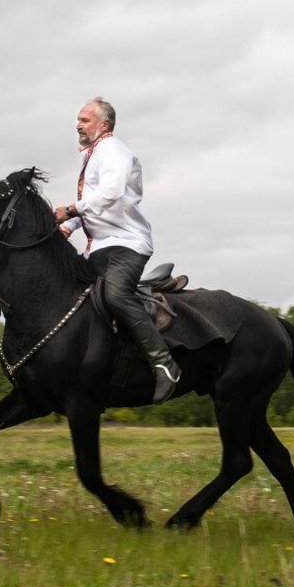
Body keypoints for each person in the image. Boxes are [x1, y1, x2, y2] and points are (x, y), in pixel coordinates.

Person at [54, 97, 182, 403]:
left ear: (104, 124)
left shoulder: (113, 151)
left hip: (126, 246)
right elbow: (97, 210)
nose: (78, 125)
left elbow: (109, 195)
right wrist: (66, 228)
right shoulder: (93, 155)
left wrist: (70, 210)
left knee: (114, 294)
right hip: (99, 248)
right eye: (78, 119)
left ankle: (164, 364)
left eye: (84, 120)